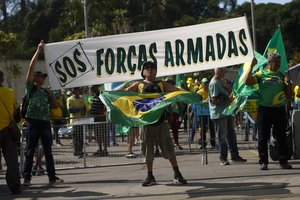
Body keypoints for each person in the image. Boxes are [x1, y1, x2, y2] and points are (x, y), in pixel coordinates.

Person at [123, 61, 187, 186]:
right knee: (147, 150)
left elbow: (176, 90)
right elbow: (124, 92)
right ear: (143, 71)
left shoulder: (161, 84)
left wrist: (188, 93)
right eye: (147, 68)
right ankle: (150, 176)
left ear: (156, 71)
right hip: (146, 123)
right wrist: (108, 94)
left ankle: (177, 174)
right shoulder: (139, 84)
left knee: (169, 148)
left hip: (161, 122)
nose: (150, 70)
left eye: (152, 68)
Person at [22, 40, 63, 186]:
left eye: (44, 77)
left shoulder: (45, 92)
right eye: (41, 76)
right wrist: (38, 51)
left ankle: (52, 177)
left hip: (45, 123)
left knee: (48, 152)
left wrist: (51, 94)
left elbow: (55, 105)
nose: (43, 78)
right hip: (33, 122)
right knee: (30, 150)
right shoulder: (30, 87)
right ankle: (27, 178)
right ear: (35, 78)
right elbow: (31, 67)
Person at [245, 54, 293, 170]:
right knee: (262, 137)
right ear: (269, 62)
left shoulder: (281, 75)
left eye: (279, 62)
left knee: (281, 136)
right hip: (264, 109)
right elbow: (247, 81)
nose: (278, 64)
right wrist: (251, 66)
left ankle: (283, 161)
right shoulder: (261, 74)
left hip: (279, 109)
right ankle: (263, 162)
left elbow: (289, 95)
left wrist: (289, 84)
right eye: (276, 62)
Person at [208, 67, 247, 166]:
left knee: (231, 135)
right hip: (219, 114)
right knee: (222, 137)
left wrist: (228, 88)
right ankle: (223, 158)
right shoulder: (215, 83)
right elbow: (214, 100)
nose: (226, 73)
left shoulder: (220, 81)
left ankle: (234, 156)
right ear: (220, 71)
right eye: (224, 71)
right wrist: (228, 101)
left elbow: (225, 94)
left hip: (226, 112)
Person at [0, 70, 21, 194]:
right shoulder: (10, 93)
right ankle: (14, 186)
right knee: (12, 161)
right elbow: (14, 111)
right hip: (8, 130)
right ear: (2, 80)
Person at [67, 87, 89, 158]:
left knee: (81, 137)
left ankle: (81, 151)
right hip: (74, 121)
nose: (80, 90)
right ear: (75, 90)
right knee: (76, 137)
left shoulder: (82, 98)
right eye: (79, 89)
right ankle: (76, 151)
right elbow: (70, 110)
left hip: (82, 120)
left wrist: (83, 111)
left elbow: (85, 108)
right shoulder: (69, 99)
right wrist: (79, 109)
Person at [196, 78, 216, 149]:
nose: (205, 84)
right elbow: (197, 101)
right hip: (201, 113)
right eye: (204, 83)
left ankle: (213, 144)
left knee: (212, 128)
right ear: (201, 84)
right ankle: (203, 144)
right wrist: (205, 101)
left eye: (207, 83)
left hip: (210, 113)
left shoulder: (210, 91)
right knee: (203, 129)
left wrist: (209, 101)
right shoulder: (199, 92)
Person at [90, 85, 108, 157]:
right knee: (97, 134)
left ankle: (105, 149)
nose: (92, 90)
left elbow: (105, 105)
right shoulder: (93, 96)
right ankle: (100, 149)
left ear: (96, 88)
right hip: (95, 118)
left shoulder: (101, 95)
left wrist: (101, 112)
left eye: (93, 88)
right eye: (91, 89)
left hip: (101, 117)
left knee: (103, 134)